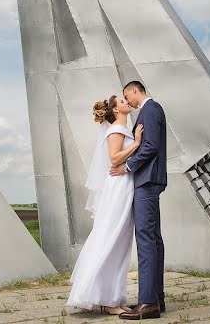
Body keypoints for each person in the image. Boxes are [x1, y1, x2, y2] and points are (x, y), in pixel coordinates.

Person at [66, 96, 144, 314]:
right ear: (115, 109)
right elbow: (114, 158)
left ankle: (113, 298)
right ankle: (107, 301)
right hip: (118, 188)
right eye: (122, 100)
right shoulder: (116, 130)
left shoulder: (123, 128)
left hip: (124, 186)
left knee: (120, 242)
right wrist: (137, 144)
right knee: (112, 238)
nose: (126, 101)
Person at [110, 80, 167, 320]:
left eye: (127, 95)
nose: (128, 101)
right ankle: (155, 299)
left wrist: (128, 167)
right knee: (153, 239)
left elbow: (151, 146)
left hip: (146, 180)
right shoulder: (149, 111)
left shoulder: (150, 109)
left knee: (145, 239)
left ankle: (148, 303)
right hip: (149, 180)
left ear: (136, 91)